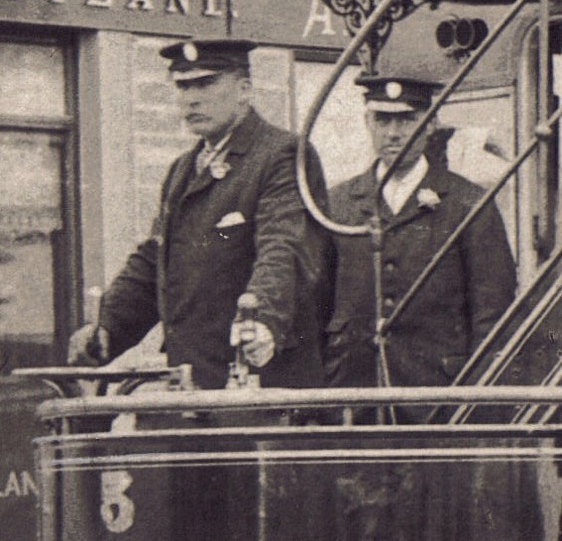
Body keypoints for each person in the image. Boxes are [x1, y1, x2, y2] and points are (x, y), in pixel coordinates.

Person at [68, 37, 332, 391]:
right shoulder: (183, 170)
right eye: (183, 86)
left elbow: (285, 246)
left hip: (261, 378)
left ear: (244, 89)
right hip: (192, 378)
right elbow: (156, 260)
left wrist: (263, 319)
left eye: (206, 83)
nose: (191, 98)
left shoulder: (282, 155)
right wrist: (108, 328)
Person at [325, 75, 517, 421]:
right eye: (383, 120)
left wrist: (476, 400)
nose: (394, 133)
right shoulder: (339, 203)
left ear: (430, 125)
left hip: (439, 395)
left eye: (407, 119)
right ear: (367, 122)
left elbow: (492, 310)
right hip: (356, 394)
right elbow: (319, 301)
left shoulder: (468, 203)